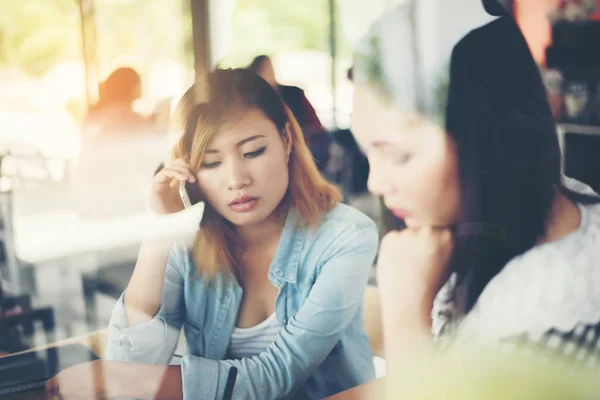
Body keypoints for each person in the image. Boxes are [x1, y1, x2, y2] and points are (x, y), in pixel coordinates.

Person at [46, 68, 379, 399]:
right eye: (210, 162)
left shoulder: (346, 236)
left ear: (286, 140)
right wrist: (159, 231)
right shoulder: (189, 240)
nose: (236, 179)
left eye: (252, 152)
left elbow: (277, 375)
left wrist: (121, 380)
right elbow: (130, 362)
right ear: (188, 167)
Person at [351, 4, 600, 376]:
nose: (375, 182)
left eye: (399, 156)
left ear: (488, 140)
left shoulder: (552, 324)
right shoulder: (535, 209)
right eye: (367, 151)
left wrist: (406, 321)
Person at [248, 55, 331, 171]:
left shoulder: (294, 94)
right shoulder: (250, 100)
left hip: (301, 139)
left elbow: (314, 124)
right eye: (262, 71)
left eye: (269, 69)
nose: (267, 74)